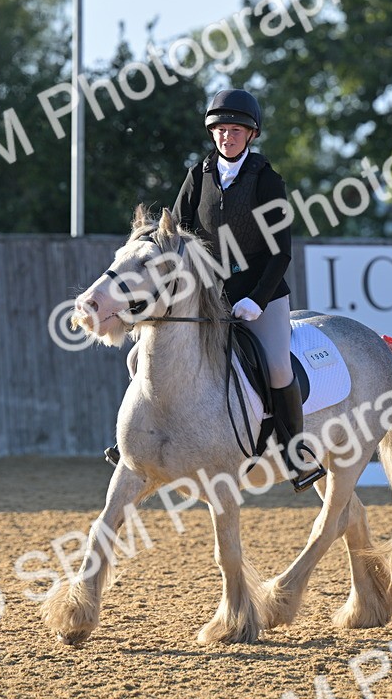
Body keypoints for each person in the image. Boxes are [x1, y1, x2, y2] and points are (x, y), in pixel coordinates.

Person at [104, 89, 326, 492]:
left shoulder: (267, 181)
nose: (228, 137)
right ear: (212, 133)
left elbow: (281, 253)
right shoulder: (198, 175)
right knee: (138, 356)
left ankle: (295, 454)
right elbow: (173, 236)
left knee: (277, 366)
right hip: (206, 297)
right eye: (221, 130)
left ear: (251, 134)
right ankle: (136, 442)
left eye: (236, 130)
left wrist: (257, 299)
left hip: (261, 296)